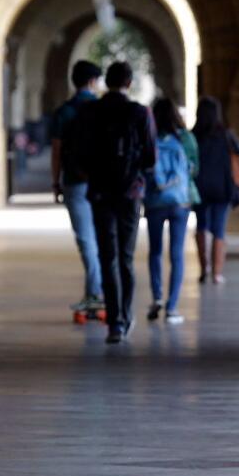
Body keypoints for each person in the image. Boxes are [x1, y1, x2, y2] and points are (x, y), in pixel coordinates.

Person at [71, 62, 157, 343]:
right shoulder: (140, 113)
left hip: (100, 193)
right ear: (129, 83)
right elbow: (150, 157)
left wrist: (95, 176)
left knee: (107, 256)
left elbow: (79, 153)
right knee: (126, 258)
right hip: (130, 194)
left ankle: (114, 324)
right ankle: (125, 314)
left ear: (106, 82)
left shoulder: (90, 112)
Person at [49, 60, 105, 315]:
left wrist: (55, 181)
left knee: (86, 240)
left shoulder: (65, 111)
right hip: (103, 183)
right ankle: (98, 291)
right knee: (103, 238)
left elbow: (57, 150)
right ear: (93, 81)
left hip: (74, 181)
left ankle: (94, 294)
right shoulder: (102, 109)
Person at [144, 98, 198, 325]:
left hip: (155, 200)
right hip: (180, 202)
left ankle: (157, 296)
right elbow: (194, 169)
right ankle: (172, 307)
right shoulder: (185, 138)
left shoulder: (150, 138)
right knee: (177, 254)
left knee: (155, 251)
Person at [192, 96, 239, 284]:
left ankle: (203, 269)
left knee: (201, 226)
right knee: (219, 229)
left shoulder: (194, 135)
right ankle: (216, 273)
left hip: (200, 188)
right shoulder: (226, 135)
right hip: (223, 188)